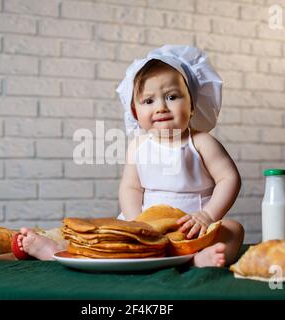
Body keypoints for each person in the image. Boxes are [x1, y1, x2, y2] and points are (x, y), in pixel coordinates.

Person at [17, 45, 244, 267]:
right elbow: (131, 188)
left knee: (234, 230)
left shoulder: (202, 142)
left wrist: (207, 215)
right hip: (145, 227)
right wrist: (136, 222)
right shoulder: (138, 145)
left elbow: (229, 179)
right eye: (148, 101)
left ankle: (197, 259)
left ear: (193, 104)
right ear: (135, 112)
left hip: (191, 229)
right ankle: (54, 251)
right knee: (102, 240)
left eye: (172, 97)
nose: (161, 107)